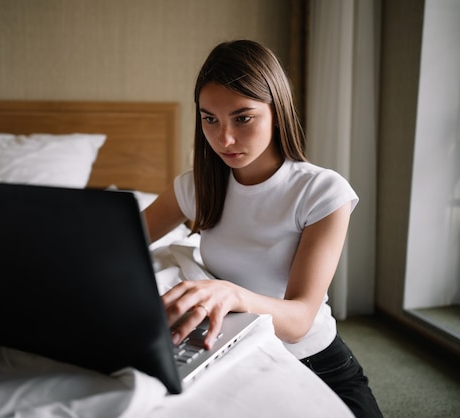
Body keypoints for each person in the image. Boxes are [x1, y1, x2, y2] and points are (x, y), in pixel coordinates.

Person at [143, 39, 382, 417]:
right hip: (230, 353)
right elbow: (120, 242)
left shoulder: (322, 191)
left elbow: (300, 320)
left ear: (277, 110)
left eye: (243, 118)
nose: (225, 139)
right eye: (210, 119)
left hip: (312, 361)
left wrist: (230, 294)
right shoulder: (196, 187)